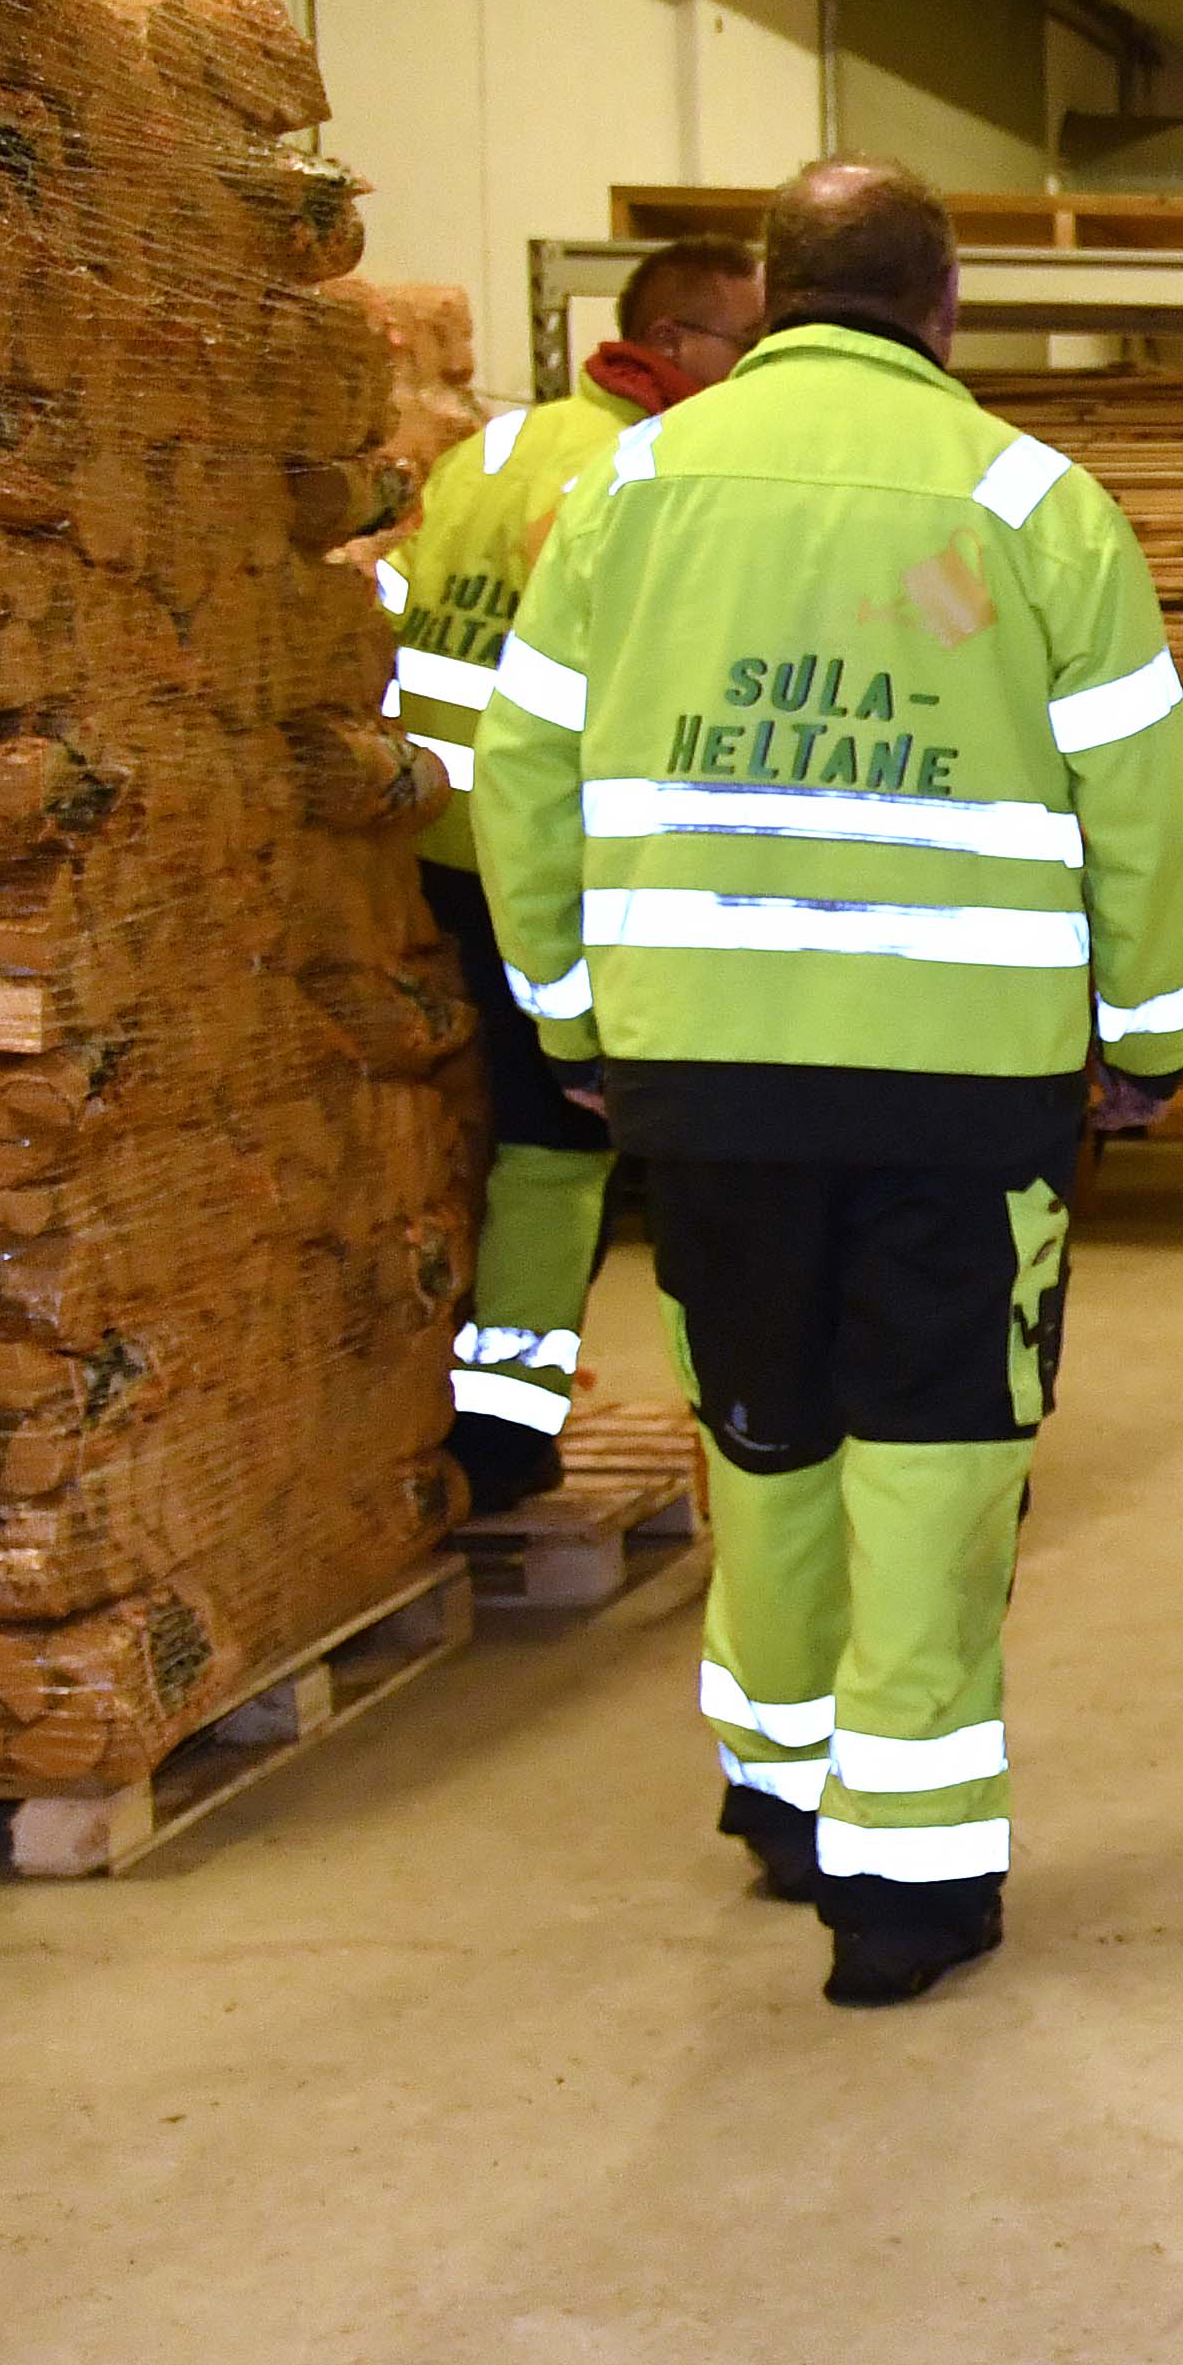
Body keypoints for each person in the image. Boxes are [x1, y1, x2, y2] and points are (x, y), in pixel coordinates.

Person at [468, 158, 1183, 2007]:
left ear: (777, 296)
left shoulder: (629, 487)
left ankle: (777, 1796)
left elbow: (520, 776)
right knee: (940, 1455)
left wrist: (570, 1019)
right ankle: (905, 1885)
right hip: (963, 1090)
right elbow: (1145, 808)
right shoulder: (1035, 501)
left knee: (765, 1425)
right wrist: (1149, 1039)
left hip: (707, 1077)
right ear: (945, 312)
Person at [378, 234, 764, 1511]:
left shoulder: (496, 448)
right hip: (538, 865)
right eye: (746, 347)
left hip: (419, 843)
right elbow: (632, 706)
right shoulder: (641, 479)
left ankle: (444, 1402)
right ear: (677, 343)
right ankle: (503, 1433)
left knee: (465, 1135)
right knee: (557, 1151)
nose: (757, 373)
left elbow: (388, 605)